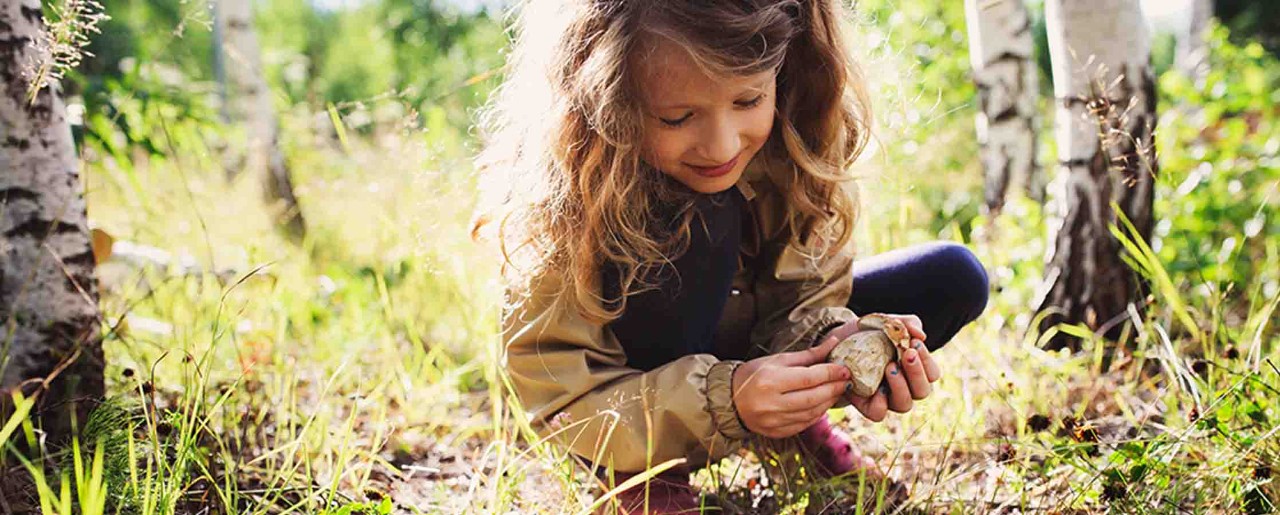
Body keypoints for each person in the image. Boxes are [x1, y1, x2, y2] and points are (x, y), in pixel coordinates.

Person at [471, 0, 989, 512]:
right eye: (677, 117)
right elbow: (562, 397)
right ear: (608, 101)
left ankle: (792, 430)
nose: (720, 147)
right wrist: (729, 397)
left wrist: (827, 350)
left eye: (747, 101)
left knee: (950, 278)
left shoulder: (798, 132)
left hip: (743, 348)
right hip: (633, 404)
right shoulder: (568, 194)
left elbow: (808, 288)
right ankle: (645, 478)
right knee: (698, 213)